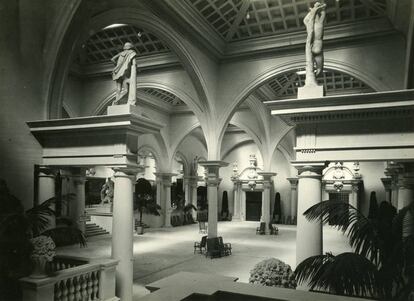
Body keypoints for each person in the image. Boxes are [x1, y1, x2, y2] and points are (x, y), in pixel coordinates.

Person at [303, 2, 326, 86]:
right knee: (316, 68)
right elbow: (306, 20)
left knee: (316, 69)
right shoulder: (315, 25)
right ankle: (312, 78)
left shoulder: (315, 24)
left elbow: (305, 20)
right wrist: (317, 9)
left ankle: (312, 79)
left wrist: (317, 9)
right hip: (316, 47)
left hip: (316, 48)